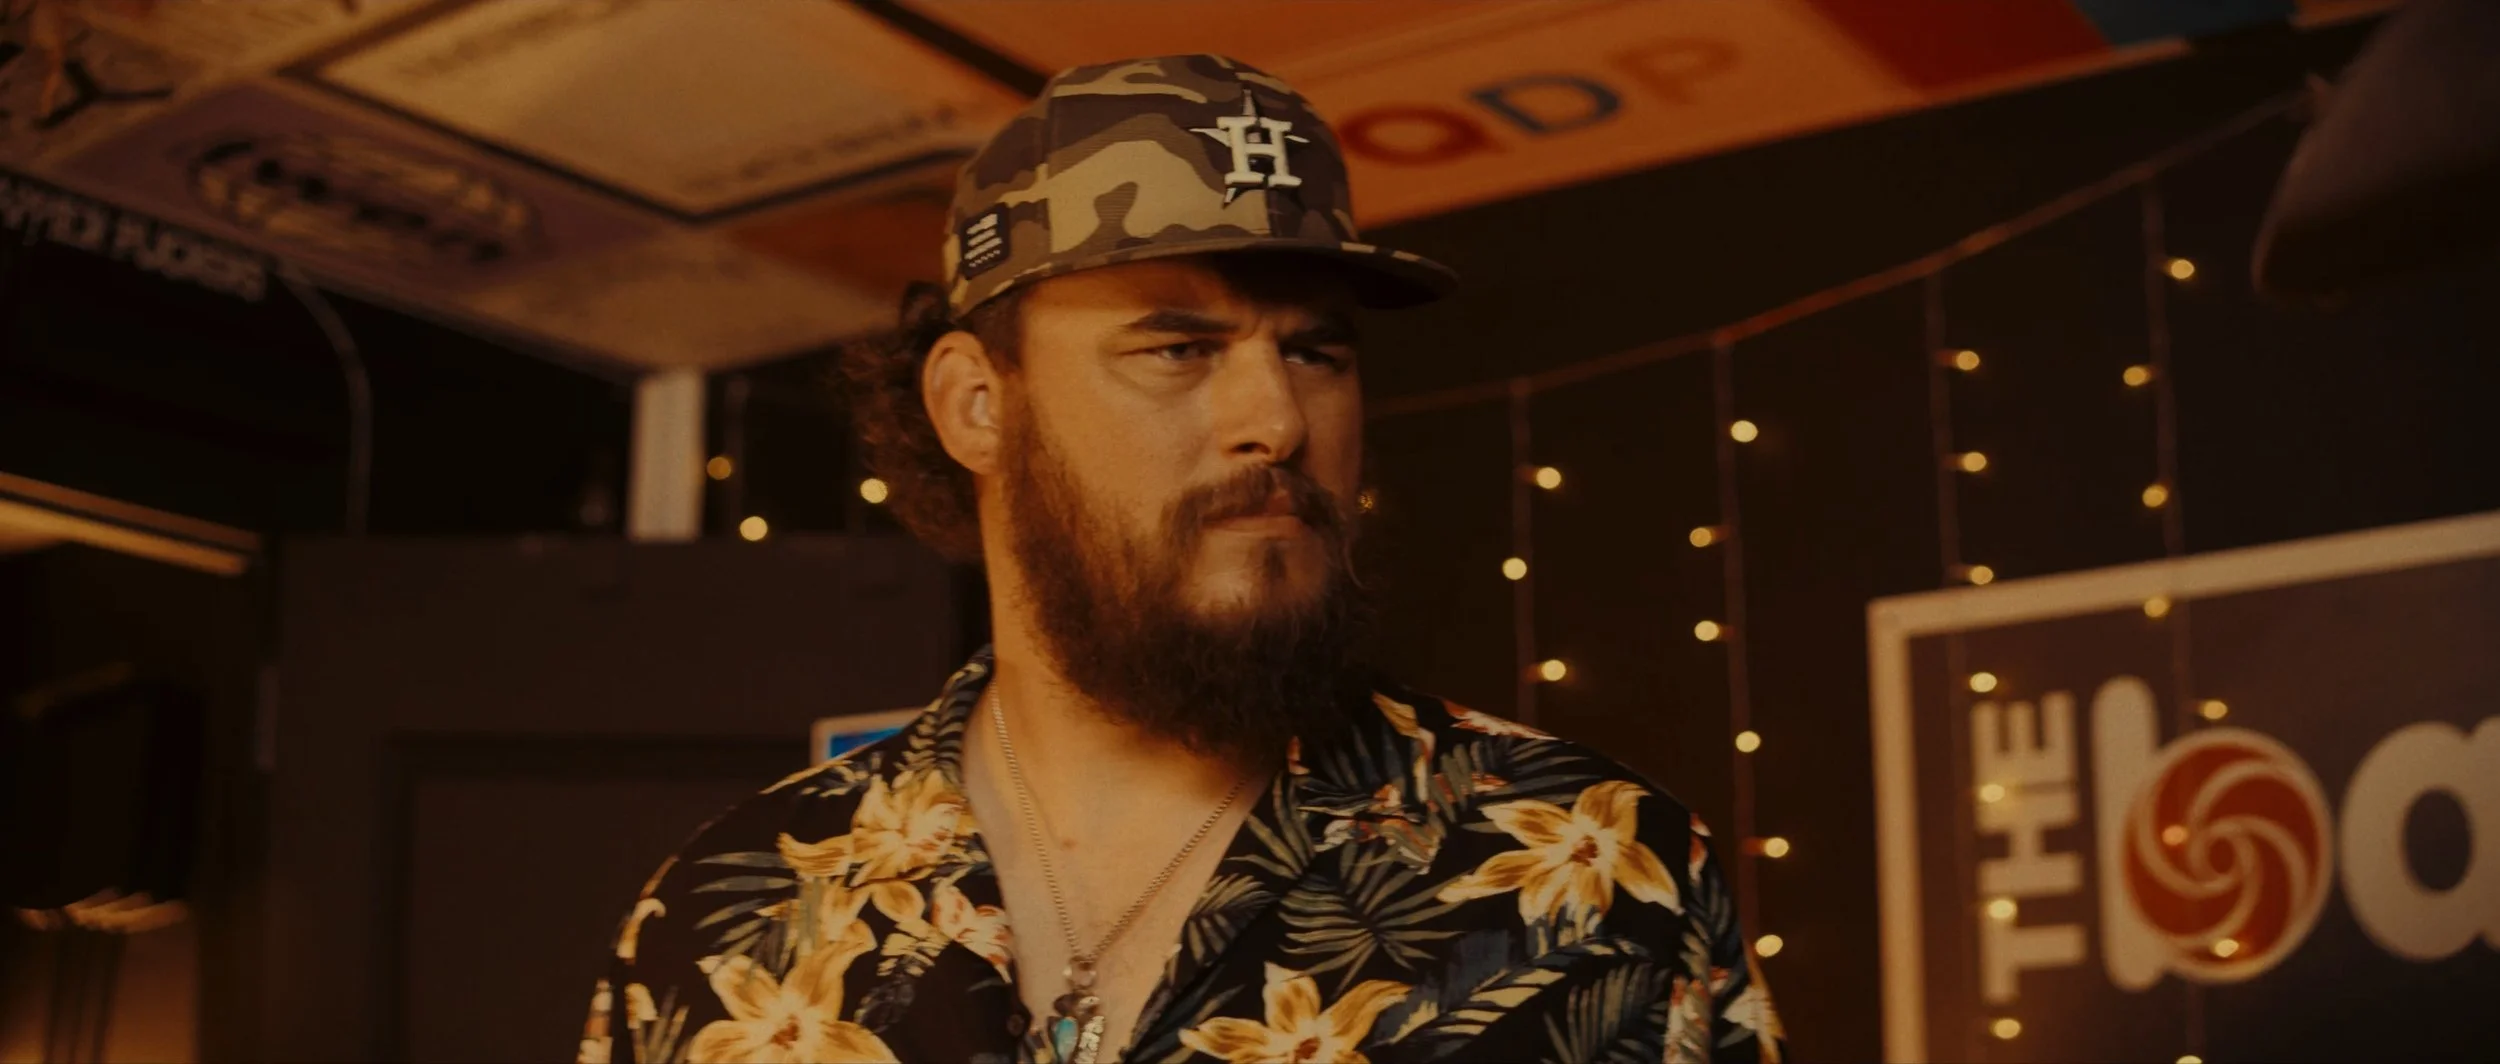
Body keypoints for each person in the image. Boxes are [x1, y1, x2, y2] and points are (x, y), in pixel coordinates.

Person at [580, 54, 1783, 1064]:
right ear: (975, 405)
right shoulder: (733, 917)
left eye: (1316, 352)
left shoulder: (1593, 870)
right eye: (1176, 346)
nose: (1275, 420)